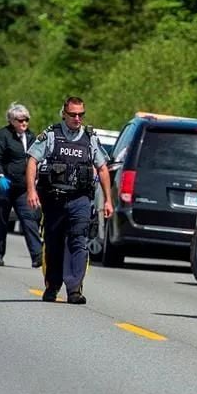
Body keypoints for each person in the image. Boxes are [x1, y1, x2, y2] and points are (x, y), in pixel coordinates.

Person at [26, 97, 113, 304]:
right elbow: (32, 161)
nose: (77, 118)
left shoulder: (90, 138)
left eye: (80, 114)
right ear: (64, 114)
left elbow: (102, 168)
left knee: (78, 241)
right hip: (54, 199)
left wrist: (108, 200)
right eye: (73, 114)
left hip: (80, 199)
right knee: (54, 243)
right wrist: (31, 191)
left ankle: (74, 289)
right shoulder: (51, 135)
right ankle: (53, 285)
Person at [0, 102, 42, 268]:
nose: (24, 123)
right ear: (11, 120)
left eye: (26, 120)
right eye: (20, 120)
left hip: (22, 187)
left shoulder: (31, 137)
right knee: (1, 219)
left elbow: (35, 159)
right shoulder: (1, 136)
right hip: (4, 184)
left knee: (29, 218)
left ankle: (37, 255)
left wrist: (34, 181)